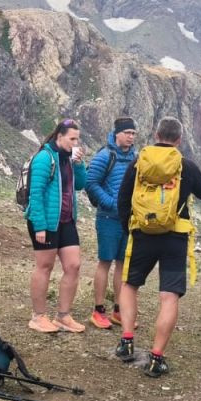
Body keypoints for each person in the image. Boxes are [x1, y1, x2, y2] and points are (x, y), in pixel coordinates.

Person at [115, 116, 201, 378]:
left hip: (142, 233)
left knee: (129, 286)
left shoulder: (139, 162)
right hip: (175, 236)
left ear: (156, 133)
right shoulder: (185, 165)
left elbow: (123, 198)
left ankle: (126, 342)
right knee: (168, 296)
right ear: (179, 139)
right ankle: (156, 358)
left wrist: (130, 228)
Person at [24, 118, 87, 334]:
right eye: (72, 139)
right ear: (59, 137)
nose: (75, 143)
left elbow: (80, 185)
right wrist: (40, 225)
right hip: (47, 222)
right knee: (45, 266)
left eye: (77, 139)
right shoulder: (44, 157)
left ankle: (63, 316)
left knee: (73, 266)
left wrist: (79, 164)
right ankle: (38, 317)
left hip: (66, 220)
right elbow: (36, 193)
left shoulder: (69, 159)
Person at [84, 116, 137, 329]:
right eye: (128, 133)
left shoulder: (136, 158)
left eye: (134, 134)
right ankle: (98, 310)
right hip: (108, 218)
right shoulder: (105, 156)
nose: (131, 137)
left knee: (122, 265)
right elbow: (90, 182)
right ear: (117, 134)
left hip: (127, 220)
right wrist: (110, 203)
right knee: (105, 262)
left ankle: (118, 310)